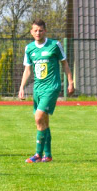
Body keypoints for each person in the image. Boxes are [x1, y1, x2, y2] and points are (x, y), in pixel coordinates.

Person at [18, 19, 75, 163]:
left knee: (38, 117)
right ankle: (48, 155)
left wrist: (70, 81)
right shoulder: (29, 48)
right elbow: (27, 70)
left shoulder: (54, 45)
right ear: (31, 32)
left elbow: (65, 64)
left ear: (45, 31)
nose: (38, 33)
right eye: (35, 30)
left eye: (41, 30)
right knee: (43, 121)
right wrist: (22, 87)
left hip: (51, 87)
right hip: (38, 89)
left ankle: (38, 155)